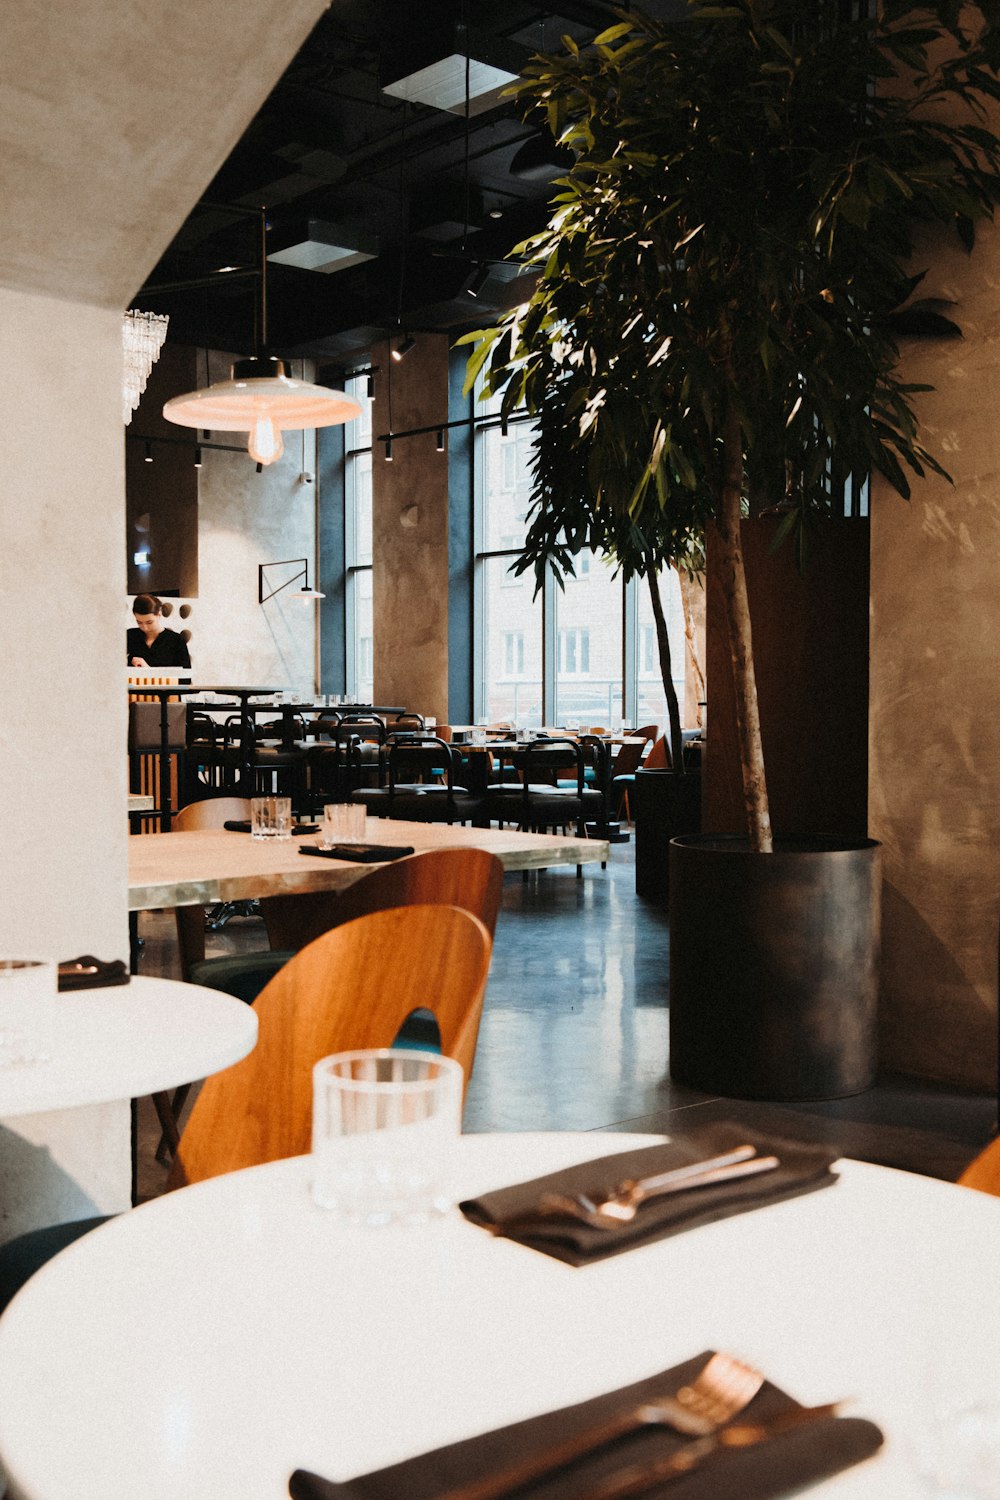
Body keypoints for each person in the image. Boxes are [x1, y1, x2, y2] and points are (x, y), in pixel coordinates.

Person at [127, 594, 191, 668]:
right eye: (139, 622)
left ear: (159, 614)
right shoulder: (130, 635)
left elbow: (185, 676)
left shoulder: (176, 640)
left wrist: (148, 671)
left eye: (149, 622)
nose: (145, 627)